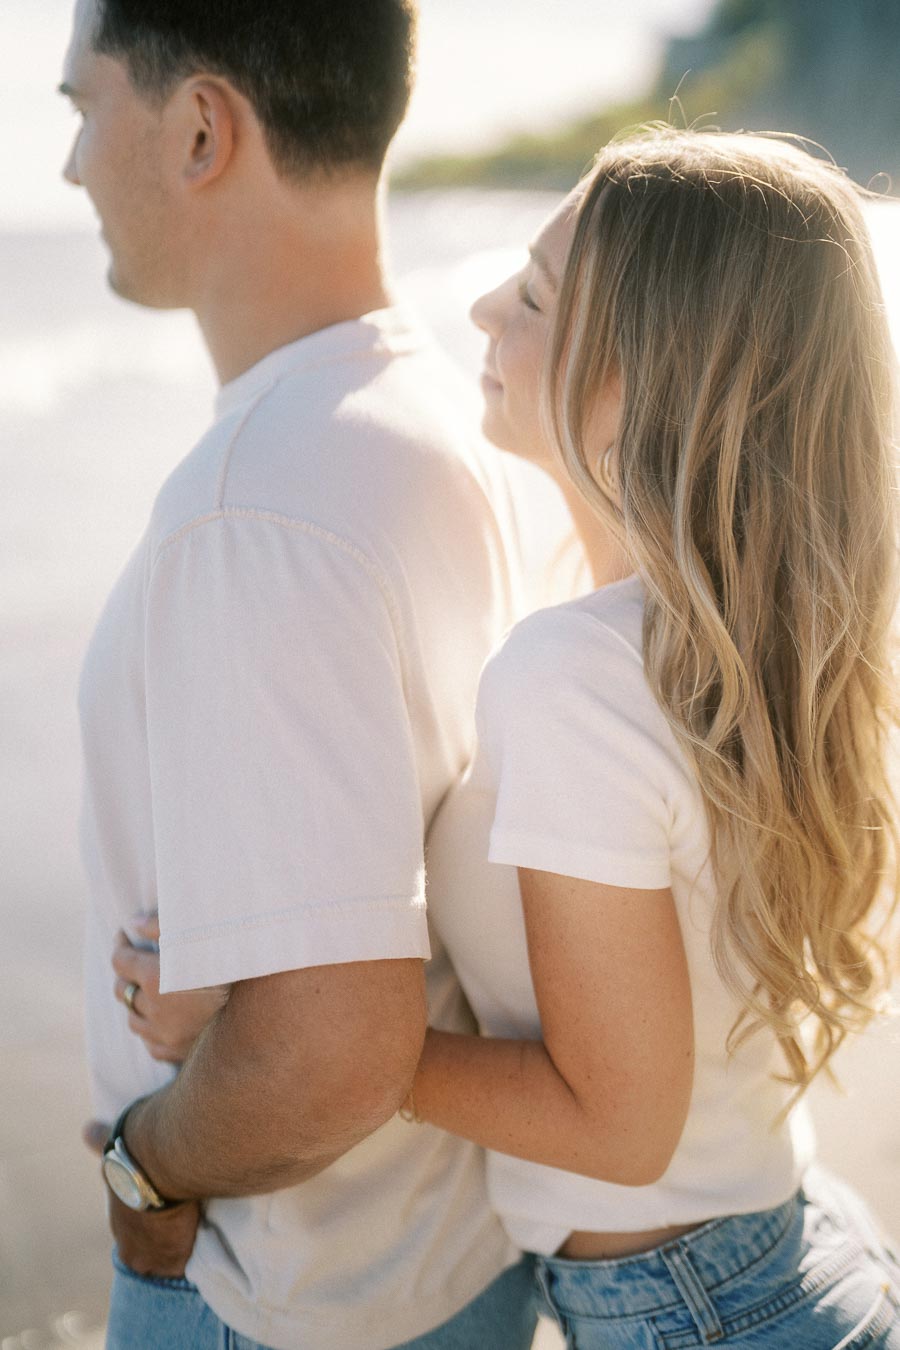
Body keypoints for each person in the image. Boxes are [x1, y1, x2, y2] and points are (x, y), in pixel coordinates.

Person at [128, 128, 900, 1347]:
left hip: (695, 1310)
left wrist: (303, 1045)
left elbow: (619, 1127)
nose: (484, 306)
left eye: (537, 296)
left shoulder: (577, 675)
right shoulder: (766, 645)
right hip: (781, 1250)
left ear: (637, 387)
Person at [62, 0, 544, 1346]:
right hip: (453, 1262)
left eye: (82, 107)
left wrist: (140, 1168)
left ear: (204, 126)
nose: (71, 165)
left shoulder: (253, 505)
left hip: (276, 1297)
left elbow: (328, 1049)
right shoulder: (459, 412)